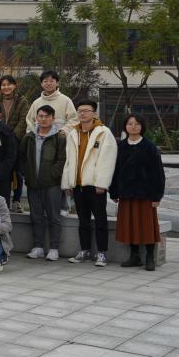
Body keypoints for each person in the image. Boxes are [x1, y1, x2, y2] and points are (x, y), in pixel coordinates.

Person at [63, 99, 117, 267]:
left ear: (94, 113)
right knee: (83, 220)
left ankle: (102, 253)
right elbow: (68, 161)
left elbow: (107, 160)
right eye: (80, 111)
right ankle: (84, 250)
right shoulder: (73, 132)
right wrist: (67, 183)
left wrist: (102, 183)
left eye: (86, 110)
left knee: (100, 219)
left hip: (95, 185)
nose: (82, 113)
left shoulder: (103, 132)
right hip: (78, 185)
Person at [110, 114, 164, 272]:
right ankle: (135, 256)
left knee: (147, 226)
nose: (133, 126)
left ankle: (149, 257)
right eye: (130, 123)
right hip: (126, 193)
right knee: (130, 225)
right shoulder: (120, 146)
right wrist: (114, 191)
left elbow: (158, 173)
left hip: (145, 194)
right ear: (125, 126)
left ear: (142, 126)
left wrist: (157, 196)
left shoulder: (149, 147)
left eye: (137, 124)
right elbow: (115, 170)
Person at [20, 104, 67, 262]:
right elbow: (21, 157)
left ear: (53, 118)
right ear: (36, 118)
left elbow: (62, 159)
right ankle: (38, 247)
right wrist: (26, 173)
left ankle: (54, 248)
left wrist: (53, 174)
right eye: (40, 116)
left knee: (54, 217)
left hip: (52, 184)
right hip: (33, 184)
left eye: (47, 116)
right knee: (36, 216)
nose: (43, 119)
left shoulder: (59, 138)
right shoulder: (29, 137)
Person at [0, 75, 30, 212]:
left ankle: (16, 200)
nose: (6, 87)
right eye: (3, 85)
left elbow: (24, 120)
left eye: (8, 84)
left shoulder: (22, 101)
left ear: (14, 85)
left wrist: (12, 137)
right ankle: (2, 201)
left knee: (17, 172)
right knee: (2, 171)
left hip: (16, 140)